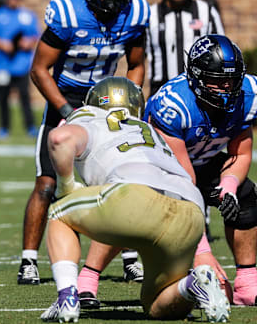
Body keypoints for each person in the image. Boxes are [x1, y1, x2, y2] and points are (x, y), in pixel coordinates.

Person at [40, 76, 230, 322]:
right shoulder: (150, 130)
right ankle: (193, 284)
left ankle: (66, 298)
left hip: (134, 196)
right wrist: (202, 248)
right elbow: (187, 178)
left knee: (58, 213)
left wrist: (65, 186)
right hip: (190, 213)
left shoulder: (90, 116)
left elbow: (58, 139)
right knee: (156, 305)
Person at [20, 0, 149, 286]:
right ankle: (29, 260)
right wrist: (65, 110)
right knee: (48, 183)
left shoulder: (134, 14)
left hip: (108, 100)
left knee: (120, 180)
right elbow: (39, 69)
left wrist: (129, 103)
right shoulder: (68, 13)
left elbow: (136, 65)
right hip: (68, 97)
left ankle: (130, 257)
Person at [145, 34, 257, 306]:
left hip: (202, 161)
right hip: (157, 170)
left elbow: (241, 153)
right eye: (218, 81)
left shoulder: (249, 93)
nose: (227, 88)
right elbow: (183, 180)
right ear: (197, 77)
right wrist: (203, 252)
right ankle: (88, 280)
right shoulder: (174, 105)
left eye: (232, 80)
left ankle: (247, 283)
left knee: (246, 196)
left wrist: (227, 187)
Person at [146, 0, 225, 95]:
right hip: (161, 91)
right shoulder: (150, 14)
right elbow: (138, 59)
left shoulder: (206, 11)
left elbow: (221, 51)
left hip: (198, 92)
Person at [0, 0, 39, 140]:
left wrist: (28, 42)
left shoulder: (27, 16)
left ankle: (30, 127)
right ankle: (4, 128)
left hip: (21, 65)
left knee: (25, 98)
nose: (13, 0)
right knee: (2, 98)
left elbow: (36, 36)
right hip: (3, 65)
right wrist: (3, 44)